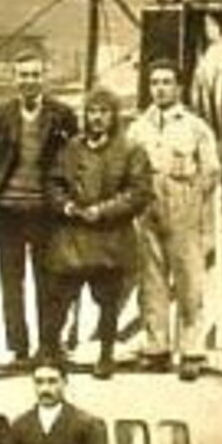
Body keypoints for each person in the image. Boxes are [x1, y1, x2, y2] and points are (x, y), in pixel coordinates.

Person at [0, 50, 78, 361]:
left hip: (46, 211)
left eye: (35, 74)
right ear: (14, 78)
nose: (29, 81)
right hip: (8, 212)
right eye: (23, 75)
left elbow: (75, 159)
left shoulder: (62, 114)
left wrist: (59, 196)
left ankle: (47, 345)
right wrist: (5, 185)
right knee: (11, 283)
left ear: (45, 77)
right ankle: (18, 349)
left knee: (49, 281)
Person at [43, 87, 153, 378]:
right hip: (72, 240)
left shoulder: (131, 150)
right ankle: (51, 355)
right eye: (92, 111)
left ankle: (106, 356)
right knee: (59, 299)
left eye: (104, 111)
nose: (97, 118)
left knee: (108, 303)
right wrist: (66, 206)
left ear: (114, 116)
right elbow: (53, 183)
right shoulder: (71, 148)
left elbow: (139, 192)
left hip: (111, 241)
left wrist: (103, 211)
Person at [127, 57, 221, 380]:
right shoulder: (138, 128)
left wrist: (190, 200)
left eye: (167, 82)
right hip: (147, 206)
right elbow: (128, 167)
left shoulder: (196, 127)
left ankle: (192, 351)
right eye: (155, 83)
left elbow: (211, 172)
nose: (160, 89)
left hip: (183, 205)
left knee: (189, 281)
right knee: (151, 281)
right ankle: (157, 348)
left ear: (179, 87)